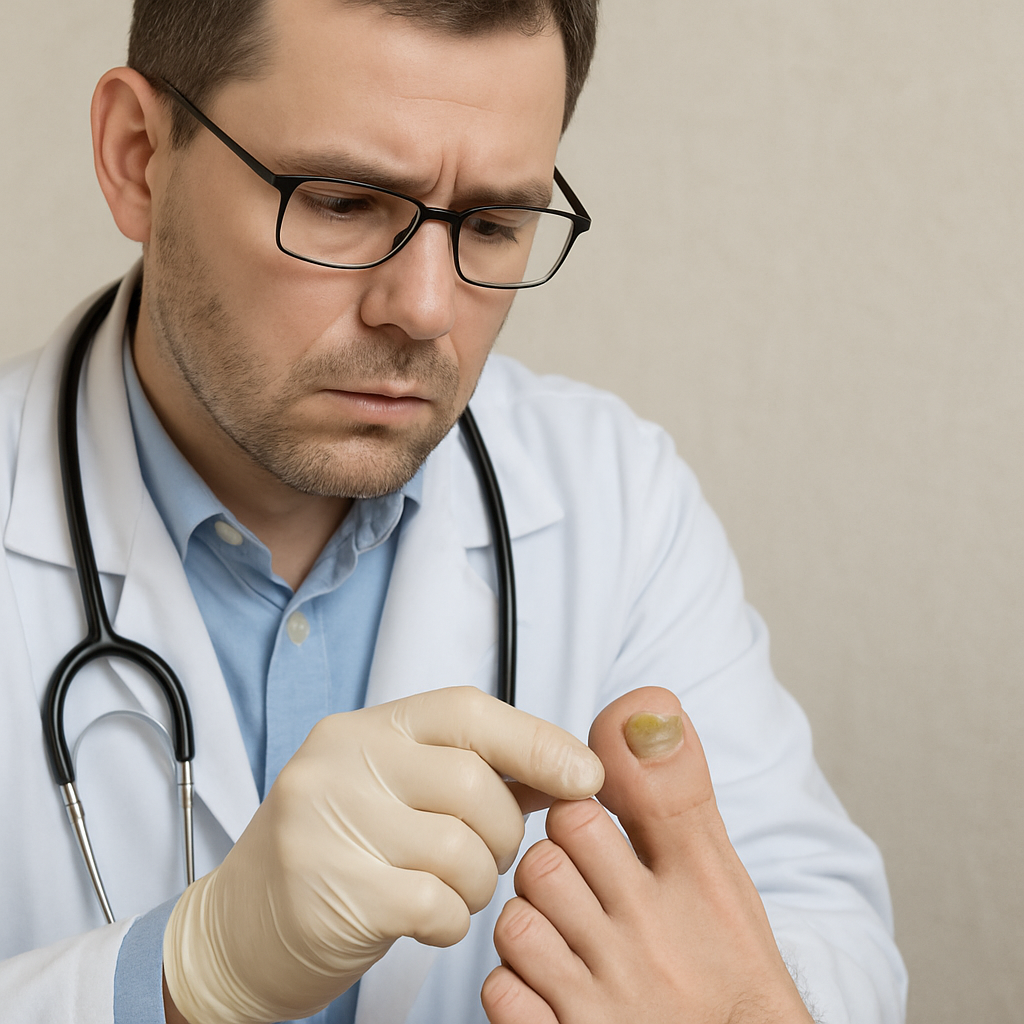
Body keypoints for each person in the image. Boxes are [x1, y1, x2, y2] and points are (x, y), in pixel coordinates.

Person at [0, 0, 907, 1021]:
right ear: (137, 157)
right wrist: (178, 977)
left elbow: (822, 934)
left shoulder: (611, 498)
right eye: (341, 201)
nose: (425, 308)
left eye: (490, 223)